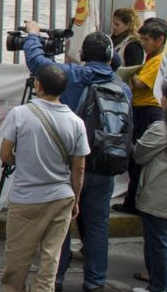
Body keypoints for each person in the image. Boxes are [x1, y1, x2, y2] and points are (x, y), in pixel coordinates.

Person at [23, 23, 130, 290]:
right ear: (109, 56)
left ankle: (56, 278)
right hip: (105, 164)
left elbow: (37, 63)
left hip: (68, 164)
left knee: (60, 223)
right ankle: (95, 282)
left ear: (82, 54)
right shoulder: (121, 87)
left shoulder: (72, 74)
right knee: (97, 227)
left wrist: (34, 36)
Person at [0, 64, 89, 292]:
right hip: (61, 197)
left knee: (17, 259)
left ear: (37, 85)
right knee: (51, 258)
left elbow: (5, 154)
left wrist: (22, 162)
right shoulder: (77, 122)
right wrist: (76, 199)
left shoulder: (20, 114)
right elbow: (79, 169)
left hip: (26, 197)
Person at [119, 17, 167, 216]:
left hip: (148, 111)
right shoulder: (151, 58)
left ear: (160, 39)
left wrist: (132, 74)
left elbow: (140, 83)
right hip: (141, 109)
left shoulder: (159, 60)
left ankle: (133, 200)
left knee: (138, 157)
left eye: (147, 39)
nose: (144, 44)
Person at [135, 80, 167, 292]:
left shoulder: (161, 129)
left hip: (157, 196)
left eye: (164, 96)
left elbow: (139, 154)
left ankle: (158, 287)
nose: (161, 100)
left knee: (159, 244)